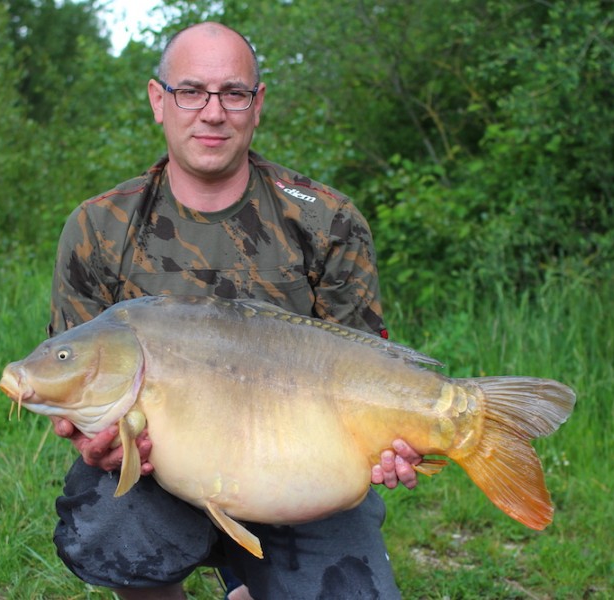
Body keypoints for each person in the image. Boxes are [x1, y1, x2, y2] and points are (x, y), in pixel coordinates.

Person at [46, 21, 423, 600]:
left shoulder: (326, 220)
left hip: (300, 475)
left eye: (234, 93)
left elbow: (369, 371)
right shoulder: (98, 227)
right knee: (108, 526)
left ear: (258, 103)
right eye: (191, 91)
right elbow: (73, 382)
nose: (212, 112)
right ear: (158, 100)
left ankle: (250, 586)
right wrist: (86, 438)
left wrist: (398, 439)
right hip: (159, 475)